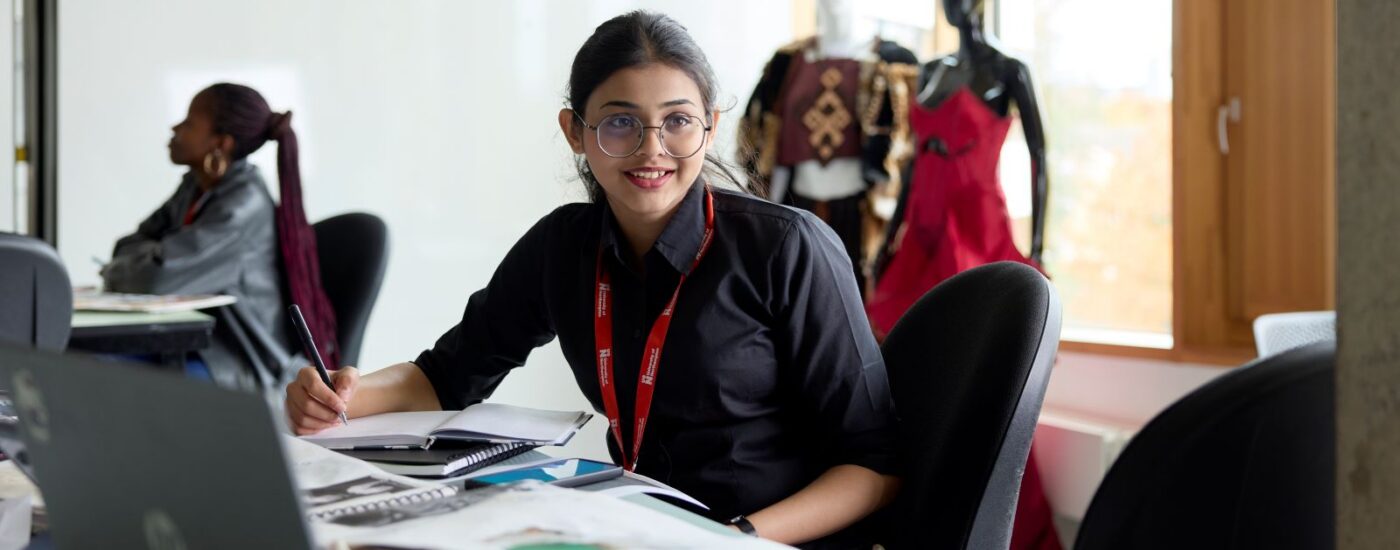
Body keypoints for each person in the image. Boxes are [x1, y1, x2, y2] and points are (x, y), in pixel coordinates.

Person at [285, 11, 899, 547]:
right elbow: (443, 376)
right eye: (620, 123)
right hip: (638, 524)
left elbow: (875, 468)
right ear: (576, 132)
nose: (652, 149)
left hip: (763, 538)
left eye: (678, 120)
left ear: (710, 126)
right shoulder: (563, 246)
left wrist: (729, 540)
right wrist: (341, 396)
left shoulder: (787, 247)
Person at [102, 83, 339, 389]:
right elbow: (126, 246)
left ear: (222, 143)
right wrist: (152, 258)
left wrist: (151, 259)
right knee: (89, 358)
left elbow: (154, 279)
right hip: (192, 346)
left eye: (188, 123)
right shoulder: (195, 186)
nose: (175, 128)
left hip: (240, 363)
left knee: (98, 369)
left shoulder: (243, 204)